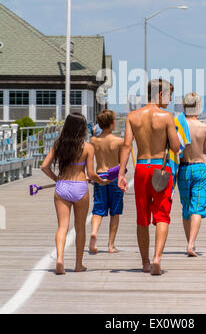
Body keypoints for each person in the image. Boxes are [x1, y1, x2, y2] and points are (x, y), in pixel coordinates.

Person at [118, 79, 180, 276]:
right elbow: (177, 147)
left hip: (142, 168)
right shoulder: (166, 117)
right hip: (161, 169)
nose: (170, 100)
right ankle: (157, 258)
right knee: (162, 215)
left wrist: (121, 173)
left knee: (142, 216)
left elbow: (126, 146)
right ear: (160, 95)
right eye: (169, 95)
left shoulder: (133, 117)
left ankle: (145, 262)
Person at [41, 113, 108, 275]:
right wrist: (101, 181)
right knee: (80, 228)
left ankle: (60, 260)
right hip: (80, 187)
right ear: (82, 128)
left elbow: (44, 166)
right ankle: (78, 264)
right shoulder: (87, 147)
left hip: (62, 186)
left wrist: (57, 179)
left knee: (62, 227)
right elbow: (91, 174)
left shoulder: (58, 144)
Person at [178, 93, 206, 257]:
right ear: (198, 107)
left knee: (186, 208)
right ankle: (191, 244)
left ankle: (190, 243)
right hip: (199, 167)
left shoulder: (178, 126)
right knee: (198, 207)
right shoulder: (205, 128)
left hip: (183, 169)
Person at [89, 110, 124, 255]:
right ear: (111, 123)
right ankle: (111, 245)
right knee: (114, 212)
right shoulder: (118, 141)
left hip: (99, 176)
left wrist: (93, 133)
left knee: (98, 209)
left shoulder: (93, 141)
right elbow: (122, 162)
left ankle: (94, 232)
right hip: (114, 177)